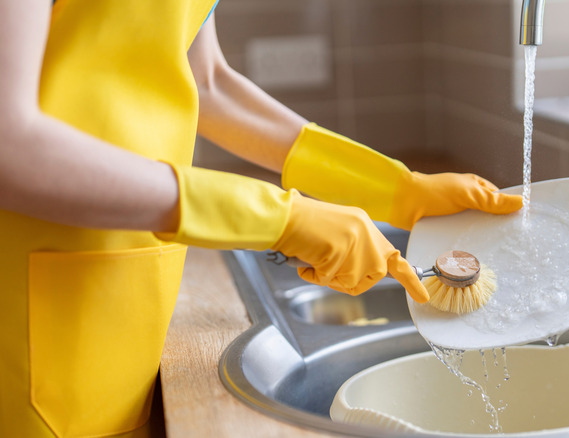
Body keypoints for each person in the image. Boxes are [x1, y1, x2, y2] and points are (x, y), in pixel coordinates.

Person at [0, 1, 523, 436]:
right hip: (26, 323)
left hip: (118, 302)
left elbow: (208, 84)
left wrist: (395, 188)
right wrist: (279, 219)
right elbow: (10, 146)